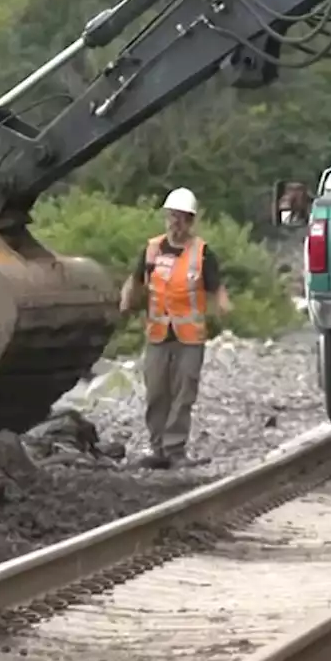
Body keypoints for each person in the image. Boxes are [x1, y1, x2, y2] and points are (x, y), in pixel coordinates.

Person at [119, 187, 232, 469]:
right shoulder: (152, 249)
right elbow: (135, 280)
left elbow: (216, 287)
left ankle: (175, 449)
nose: (175, 223)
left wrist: (223, 307)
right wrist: (125, 302)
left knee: (183, 394)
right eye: (172, 217)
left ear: (191, 221)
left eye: (181, 218)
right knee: (157, 392)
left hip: (190, 337)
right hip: (158, 333)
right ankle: (157, 448)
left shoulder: (202, 253)